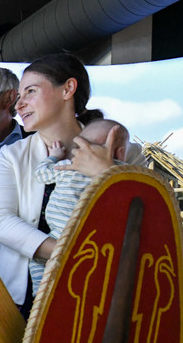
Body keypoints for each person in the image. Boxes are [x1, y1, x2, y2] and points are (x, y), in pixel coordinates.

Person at [0, 53, 145, 313]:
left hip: (102, 286)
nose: (19, 104)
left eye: (31, 91)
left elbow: (145, 214)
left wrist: (106, 172)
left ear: (68, 89)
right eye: (19, 96)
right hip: (21, 295)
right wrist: (68, 255)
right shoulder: (11, 156)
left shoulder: (125, 152)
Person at [28, 119, 130, 292]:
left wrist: (53, 156)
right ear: (120, 153)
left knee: (37, 261)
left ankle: (40, 295)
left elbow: (41, 174)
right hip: (95, 240)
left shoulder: (67, 166)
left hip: (59, 233)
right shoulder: (124, 174)